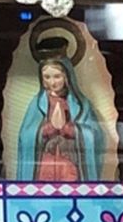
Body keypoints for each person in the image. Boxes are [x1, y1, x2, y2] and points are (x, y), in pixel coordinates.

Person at [15, 54, 104, 182]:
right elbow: (25, 136)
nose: (52, 82)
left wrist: (74, 131)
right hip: (45, 164)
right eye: (47, 77)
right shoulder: (38, 103)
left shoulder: (81, 104)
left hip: (70, 163)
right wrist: (44, 131)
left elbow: (96, 135)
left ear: (67, 77)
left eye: (57, 76)